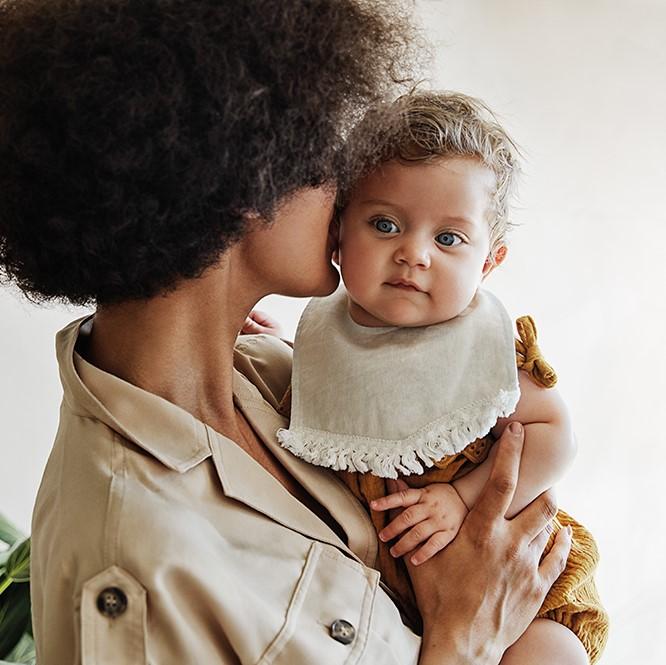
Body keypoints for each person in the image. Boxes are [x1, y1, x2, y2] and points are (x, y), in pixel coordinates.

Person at [0, 1, 572, 664]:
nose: (347, 190)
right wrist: (463, 641)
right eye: (327, 153)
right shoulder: (134, 565)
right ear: (248, 172)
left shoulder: (277, 371)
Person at [276, 92, 608, 663]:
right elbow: (346, 394)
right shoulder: (322, 338)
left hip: (519, 582)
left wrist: (462, 496)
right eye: (384, 224)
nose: (413, 253)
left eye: (448, 238)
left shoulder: (488, 349)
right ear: (337, 235)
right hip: (399, 601)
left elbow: (556, 435)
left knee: (553, 654)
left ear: (488, 263)